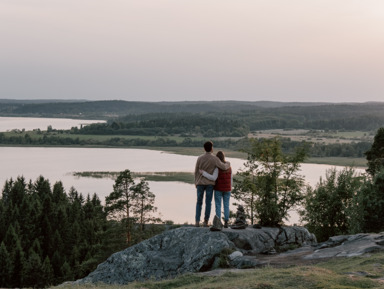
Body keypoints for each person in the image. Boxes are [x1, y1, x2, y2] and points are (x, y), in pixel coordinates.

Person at [194, 141, 230, 227]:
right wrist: (228, 163)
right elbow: (224, 167)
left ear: (204, 148)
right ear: (212, 148)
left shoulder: (199, 158)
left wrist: (196, 182)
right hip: (210, 184)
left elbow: (196, 171)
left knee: (199, 202)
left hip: (200, 183)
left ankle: (197, 221)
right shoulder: (215, 159)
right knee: (208, 203)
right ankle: (206, 221)